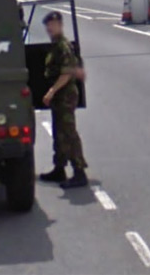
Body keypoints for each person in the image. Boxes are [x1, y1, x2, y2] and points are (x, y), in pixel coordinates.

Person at [39, 11, 88, 189]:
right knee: (59, 131)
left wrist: (51, 91)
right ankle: (59, 168)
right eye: (47, 25)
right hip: (60, 97)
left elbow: (67, 73)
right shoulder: (55, 45)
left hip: (65, 95)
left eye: (52, 24)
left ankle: (79, 171)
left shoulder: (63, 46)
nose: (49, 28)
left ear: (60, 24)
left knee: (68, 132)